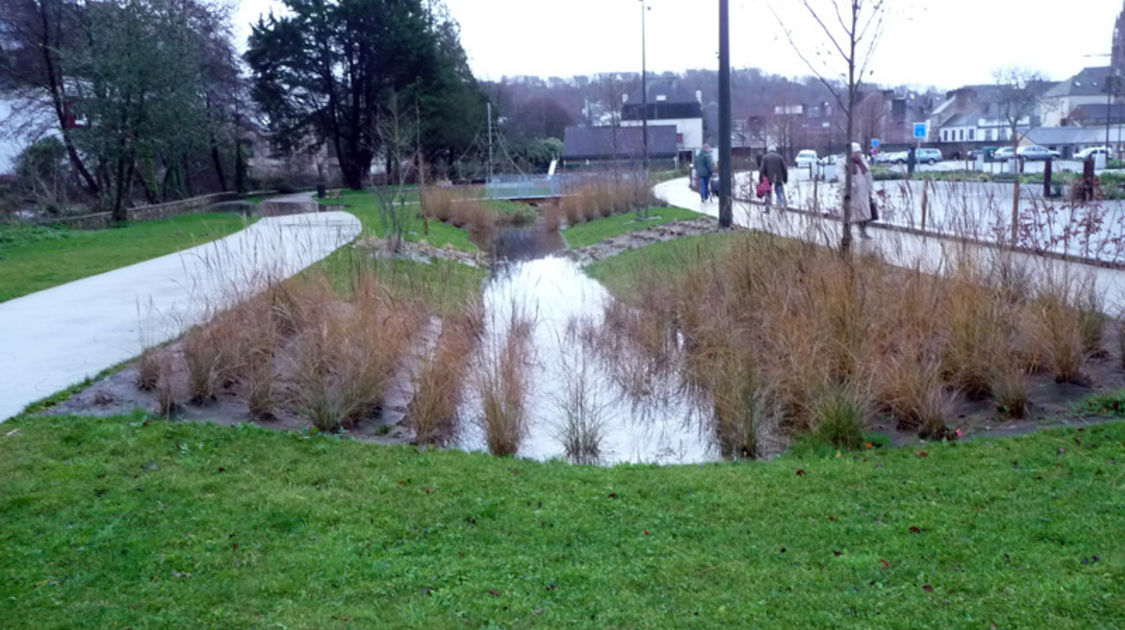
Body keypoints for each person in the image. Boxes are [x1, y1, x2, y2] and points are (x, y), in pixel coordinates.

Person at [842, 142, 875, 239]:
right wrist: (848, 185)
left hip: (863, 192)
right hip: (851, 193)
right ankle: (847, 232)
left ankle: (863, 231)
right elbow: (841, 175)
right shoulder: (844, 162)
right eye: (856, 153)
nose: (858, 155)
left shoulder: (863, 161)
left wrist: (870, 187)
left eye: (859, 153)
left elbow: (868, 174)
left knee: (864, 213)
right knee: (850, 213)